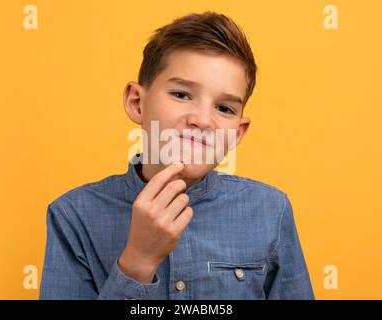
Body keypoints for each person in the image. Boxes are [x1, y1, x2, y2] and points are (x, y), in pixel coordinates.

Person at [39, 11, 315, 300]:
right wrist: (138, 262)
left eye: (224, 108)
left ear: (236, 133)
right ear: (137, 103)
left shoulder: (271, 211)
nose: (202, 120)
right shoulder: (73, 216)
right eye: (182, 95)